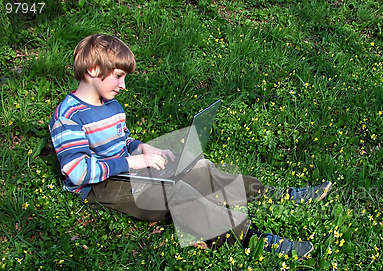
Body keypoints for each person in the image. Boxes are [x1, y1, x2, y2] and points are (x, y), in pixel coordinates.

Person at [48, 34, 332, 259]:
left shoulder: (111, 105)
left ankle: (272, 195)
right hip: (100, 186)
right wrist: (130, 163)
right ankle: (249, 239)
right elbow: (77, 171)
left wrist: (142, 149)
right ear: (94, 70)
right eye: (118, 76)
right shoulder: (69, 116)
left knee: (197, 167)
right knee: (177, 192)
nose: (123, 85)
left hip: (124, 169)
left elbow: (122, 141)